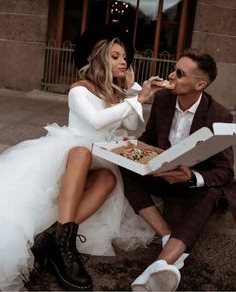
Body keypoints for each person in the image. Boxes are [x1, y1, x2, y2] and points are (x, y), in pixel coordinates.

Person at [0, 25, 161, 291]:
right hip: (70, 155)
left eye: (124, 57)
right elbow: (97, 122)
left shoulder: (116, 93)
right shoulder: (79, 90)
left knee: (108, 178)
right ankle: (65, 248)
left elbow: (132, 126)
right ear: (99, 58)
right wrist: (136, 99)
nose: (124, 61)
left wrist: (133, 91)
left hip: (100, 157)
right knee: (81, 152)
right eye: (116, 56)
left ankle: (55, 237)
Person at [120, 48, 236, 291]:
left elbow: (225, 170)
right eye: (174, 69)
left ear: (200, 84)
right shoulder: (163, 99)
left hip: (190, 182)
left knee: (213, 191)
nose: (171, 76)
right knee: (123, 167)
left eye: (180, 73)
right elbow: (149, 137)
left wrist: (192, 176)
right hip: (161, 174)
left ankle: (161, 264)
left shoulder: (219, 114)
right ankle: (166, 236)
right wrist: (133, 149)